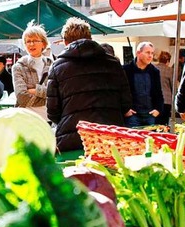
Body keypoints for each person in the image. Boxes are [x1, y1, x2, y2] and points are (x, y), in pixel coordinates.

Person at [47, 17, 132, 152]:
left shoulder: (57, 67)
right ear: (91, 38)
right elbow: (126, 104)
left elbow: (52, 111)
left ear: (65, 41)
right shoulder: (113, 63)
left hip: (73, 138)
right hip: (111, 136)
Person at [12, 23, 53, 120]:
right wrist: (46, 96)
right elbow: (21, 97)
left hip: (49, 119)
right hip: (26, 119)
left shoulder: (52, 65)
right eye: (28, 41)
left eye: (35, 40)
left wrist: (35, 91)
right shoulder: (18, 67)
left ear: (43, 43)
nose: (31, 44)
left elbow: (56, 92)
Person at [122, 42, 163, 127]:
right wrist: (125, 110)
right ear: (138, 53)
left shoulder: (154, 71)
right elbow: (121, 91)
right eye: (147, 52)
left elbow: (158, 93)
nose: (150, 56)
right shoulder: (126, 70)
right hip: (132, 116)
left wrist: (158, 109)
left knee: (149, 139)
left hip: (150, 115)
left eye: (152, 53)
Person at [154, 50, 173, 126]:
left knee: (155, 122)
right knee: (164, 122)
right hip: (167, 100)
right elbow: (173, 85)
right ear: (168, 61)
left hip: (155, 99)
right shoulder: (170, 70)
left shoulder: (153, 68)